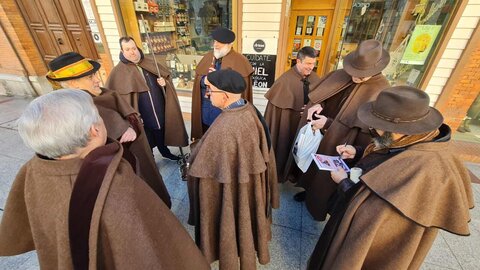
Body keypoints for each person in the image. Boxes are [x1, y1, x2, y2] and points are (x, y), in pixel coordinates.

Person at [0, 90, 210, 270]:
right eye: (99, 116)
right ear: (95, 130)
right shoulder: (112, 183)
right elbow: (145, 248)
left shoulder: (32, 170)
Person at [307, 86, 474, 269]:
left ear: (399, 129)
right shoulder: (414, 138)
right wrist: (358, 152)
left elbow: (373, 212)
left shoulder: (428, 166)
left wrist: (343, 182)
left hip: (377, 244)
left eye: (377, 127)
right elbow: (388, 155)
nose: (373, 130)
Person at [46, 52, 171, 207]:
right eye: (90, 77)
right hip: (123, 170)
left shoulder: (103, 94)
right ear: (73, 84)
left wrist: (132, 124)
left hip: (135, 157)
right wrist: (124, 127)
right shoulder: (73, 109)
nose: (97, 80)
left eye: (94, 75)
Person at [286, 39, 391, 221]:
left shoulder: (381, 90)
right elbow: (324, 94)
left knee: (328, 175)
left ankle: (318, 204)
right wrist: (318, 103)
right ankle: (307, 191)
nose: (355, 77)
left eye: (361, 75)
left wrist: (328, 123)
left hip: (346, 140)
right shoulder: (342, 74)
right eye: (353, 72)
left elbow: (363, 127)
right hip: (321, 131)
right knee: (312, 166)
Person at [187, 69, 279, 269]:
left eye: (210, 90)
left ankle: (230, 243)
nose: (207, 94)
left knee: (231, 210)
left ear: (225, 96)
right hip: (244, 184)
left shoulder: (227, 126)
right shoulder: (248, 109)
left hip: (233, 187)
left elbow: (204, 169)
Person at [106, 37, 188, 160]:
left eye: (133, 48)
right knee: (146, 136)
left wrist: (164, 83)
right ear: (122, 51)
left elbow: (166, 78)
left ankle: (165, 152)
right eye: (127, 49)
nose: (132, 52)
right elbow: (113, 97)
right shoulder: (118, 72)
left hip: (158, 107)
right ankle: (151, 159)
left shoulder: (149, 62)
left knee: (160, 129)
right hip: (141, 111)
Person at [264, 46, 322, 180]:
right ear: (298, 61)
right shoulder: (284, 81)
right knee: (285, 144)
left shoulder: (315, 78)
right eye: (308, 63)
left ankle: (297, 174)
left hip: (307, 126)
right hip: (288, 123)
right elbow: (274, 114)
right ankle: (283, 172)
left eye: (313, 63)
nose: (311, 67)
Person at [191, 27, 254, 141]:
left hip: (226, 109)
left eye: (219, 42)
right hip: (206, 106)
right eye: (215, 41)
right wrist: (204, 80)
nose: (216, 44)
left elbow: (241, 89)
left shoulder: (240, 61)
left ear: (229, 44)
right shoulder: (208, 57)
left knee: (224, 138)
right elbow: (198, 79)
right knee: (207, 135)